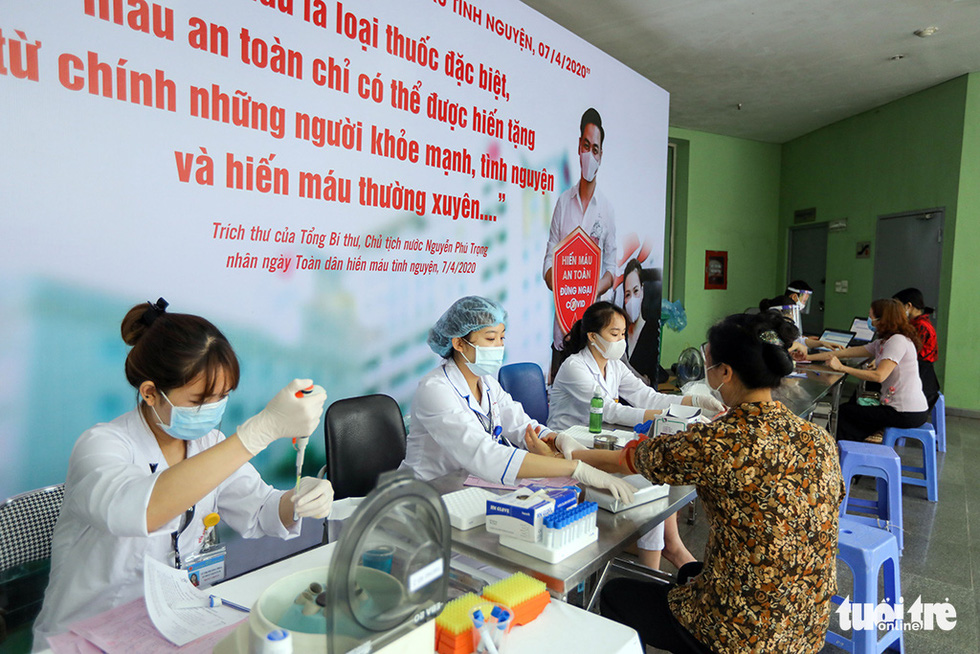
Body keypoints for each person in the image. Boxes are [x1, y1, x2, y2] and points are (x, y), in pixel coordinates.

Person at [32, 299, 332, 650]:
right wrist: (257, 434)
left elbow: (261, 509)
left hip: (170, 624)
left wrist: (297, 500)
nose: (213, 409)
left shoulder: (210, 445)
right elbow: (145, 510)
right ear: (150, 393)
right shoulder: (101, 446)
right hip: (84, 636)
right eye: (199, 400)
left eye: (222, 397)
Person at [558, 312, 843, 653]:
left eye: (708, 363)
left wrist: (572, 454)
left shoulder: (720, 440)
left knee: (617, 594)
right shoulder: (818, 438)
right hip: (808, 624)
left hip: (743, 635)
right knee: (689, 572)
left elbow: (631, 459)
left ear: (725, 372)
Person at [399, 296, 635, 500]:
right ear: (459, 343)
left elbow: (521, 425)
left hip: (467, 486)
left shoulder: (487, 383)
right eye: (490, 339)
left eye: (502, 338)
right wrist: (575, 468)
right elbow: (484, 454)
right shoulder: (435, 390)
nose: (499, 346)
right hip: (426, 493)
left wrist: (556, 438)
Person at [548, 301, 724, 571]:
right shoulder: (575, 367)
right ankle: (662, 559)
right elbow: (610, 410)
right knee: (651, 486)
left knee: (655, 488)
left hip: (603, 443)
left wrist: (692, 402)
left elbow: (647, 396)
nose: (621, 340)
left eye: (622, 334)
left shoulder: (614, 365)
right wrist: (666, 416)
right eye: (614, 334)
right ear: (593, 336)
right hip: (572, 447)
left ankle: (663, 557)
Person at [543, 107, 617, 380]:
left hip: (593, 333)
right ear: (578, 146)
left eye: (595, 149)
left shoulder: (606, 210)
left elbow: (611, 268)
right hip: (562, 331)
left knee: (592, 397)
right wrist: (560, 284)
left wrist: (591, 289)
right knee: (559, 396)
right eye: (586, 146)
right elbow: (549, 258)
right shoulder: (563, 203)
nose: (589, 154)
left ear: (600, 155)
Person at [809, 298, 930, 442]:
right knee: (851, 410)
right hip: (899, 409)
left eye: (871, 316)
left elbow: (879, 376)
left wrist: (842, 368)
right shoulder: (883, 342)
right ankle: (832, 447)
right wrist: (807, 357)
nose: (869, 320)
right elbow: (845, 353)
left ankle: (829, 448)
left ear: (882, 319)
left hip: (906, 413)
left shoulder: (897, 341)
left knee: (845, 413)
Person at [892, 287, 941, 409]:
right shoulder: (915, 323)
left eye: (898, 307)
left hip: (922, 375)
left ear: (908, 306)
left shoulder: (921, 326)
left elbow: (908, 352)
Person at [621, 258, 664, 383]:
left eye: (636, 291)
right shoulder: (620, 333)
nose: (632, 300)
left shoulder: (652, 332)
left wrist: (626, 366)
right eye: (628, 294)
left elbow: (648, 382)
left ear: (642, 290)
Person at [759, 291, 842, 355]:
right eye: (790, 314)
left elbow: (798, 340)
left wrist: (821, 343)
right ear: (778, 313)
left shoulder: (780, 330)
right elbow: (775, 352)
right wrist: (796, 346)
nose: (792, 318)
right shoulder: (765, 331)